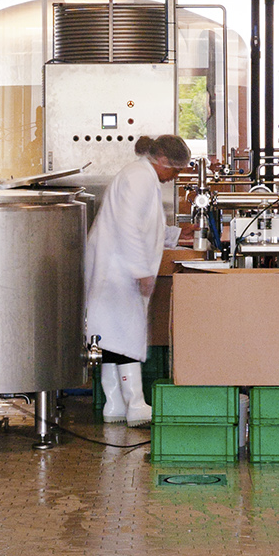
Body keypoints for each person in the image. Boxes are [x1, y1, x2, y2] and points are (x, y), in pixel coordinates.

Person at [83, 132, 190, 427]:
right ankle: (136, 404)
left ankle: (115, 405)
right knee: (126, 337)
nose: (175, 177)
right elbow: (129, 227)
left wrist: (178, 234)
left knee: (111, 338)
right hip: (119, 270)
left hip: (115, 266)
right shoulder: (140, 178)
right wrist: (141, 270)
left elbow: (145, 224)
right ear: (163, 160)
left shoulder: (140, 175)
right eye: (176, 170)